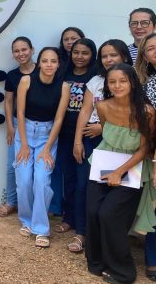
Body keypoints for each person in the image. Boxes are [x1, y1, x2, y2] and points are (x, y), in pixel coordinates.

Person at [84, 63, 154, 283]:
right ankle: (96, 262)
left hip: (132, 166)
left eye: (123, 81)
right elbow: (107, 134)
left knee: (110, 214)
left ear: (132, 82)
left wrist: (119, 172)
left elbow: (145, 147)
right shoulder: (102, 106)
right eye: (112, 81)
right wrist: (110, 169)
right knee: (93, 211)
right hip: (103, 162)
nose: (117, 85)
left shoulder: (147, 112)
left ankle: (123, 272)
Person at [71, 39, 133, 254]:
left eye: (113, 55)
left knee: (116, 189)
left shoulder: (132, 79)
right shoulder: (95, 81)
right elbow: (85, 111)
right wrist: (78, 141)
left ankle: (112, 239)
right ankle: (81, 233)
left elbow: (135, 113)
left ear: (124, 56)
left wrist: (103, 127)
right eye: (104, 56)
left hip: (122, 144)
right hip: (91, 140)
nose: (108, 59)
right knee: (85, 187)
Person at [14, 47, 69, 248]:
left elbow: (59, 119)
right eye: (45, 61)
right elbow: (20, 113)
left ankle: (41, 229)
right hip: (25, 133)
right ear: (39, 63)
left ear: (58, 64)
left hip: (48, 135)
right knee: (24, 180)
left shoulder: (63, 87)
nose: (49, 65)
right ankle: (27, 221)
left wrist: (47, 148)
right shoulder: (26, 81)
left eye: (53, 61)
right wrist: (24, 144)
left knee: (42, 180)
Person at [52, 39, 97, 247]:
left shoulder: (95, 77)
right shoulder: (63, 74)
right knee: (68, 179)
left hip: (86, 136)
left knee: (82, 183)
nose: (79, 56)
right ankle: (68, 218)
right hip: (64, 135)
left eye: (85, 53)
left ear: (92, 55)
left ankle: (82, 227)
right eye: (76, 52)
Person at [0, 36, 35, 217]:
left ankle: (34, 204)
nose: (21, 53)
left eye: (24, 49)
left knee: (37, 169)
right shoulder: (12, 75)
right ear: (13, 54)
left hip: (40, 126)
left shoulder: (43, 71)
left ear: (32, 50)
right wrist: (10, 127)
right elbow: (8, 101)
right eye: (16, 51)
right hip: (16, 125)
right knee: (13, 166)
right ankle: (12, 202)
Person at [133, 32, 156, 280]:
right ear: (145, 56)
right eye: (150, 48)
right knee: (155, 206)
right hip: (155, 151)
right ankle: (153, 260)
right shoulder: (149, 84)